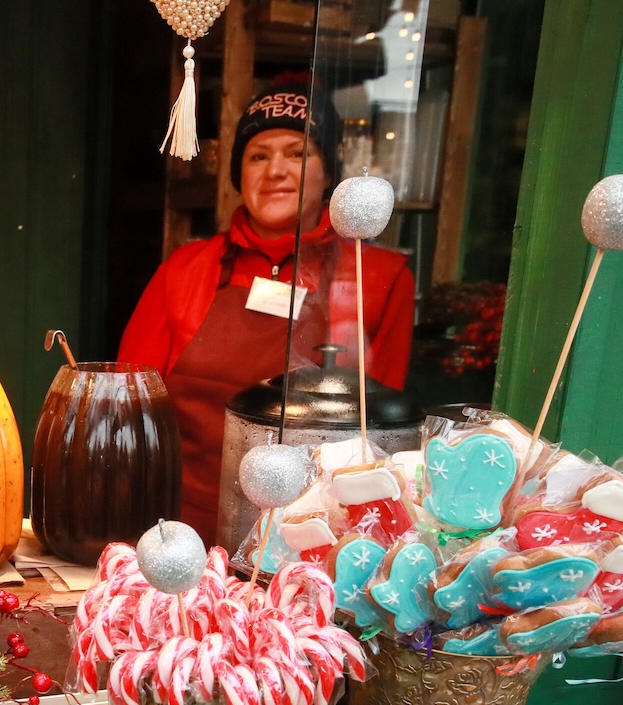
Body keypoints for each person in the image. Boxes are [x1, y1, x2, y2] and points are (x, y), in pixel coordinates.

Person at [118, 74, 415, 540]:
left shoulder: (375, 277)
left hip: (311, 539)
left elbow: (380, 438)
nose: (275, 171)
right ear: (240, 175)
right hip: (180, 531)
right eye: (258, 156)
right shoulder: (187, 268)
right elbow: (128, 411)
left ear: (330, 172)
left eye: (298, 153)